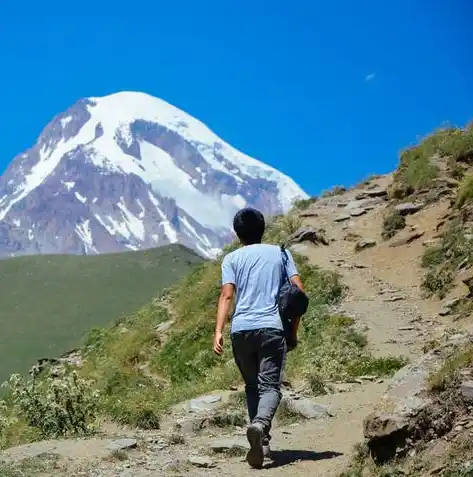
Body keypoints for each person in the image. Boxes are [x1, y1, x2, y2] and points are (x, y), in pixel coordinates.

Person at [213, 207, 304, 469]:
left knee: (253, 387)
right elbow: (298, 292)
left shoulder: (231, 259)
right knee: (271, 387)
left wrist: (218, 330)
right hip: (272, 328)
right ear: (263, 229)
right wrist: (293, 331)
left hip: (241, 330)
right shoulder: (281, 253)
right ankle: (261, 425)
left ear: (237, 233)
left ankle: (262, 444)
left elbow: (227, 295)